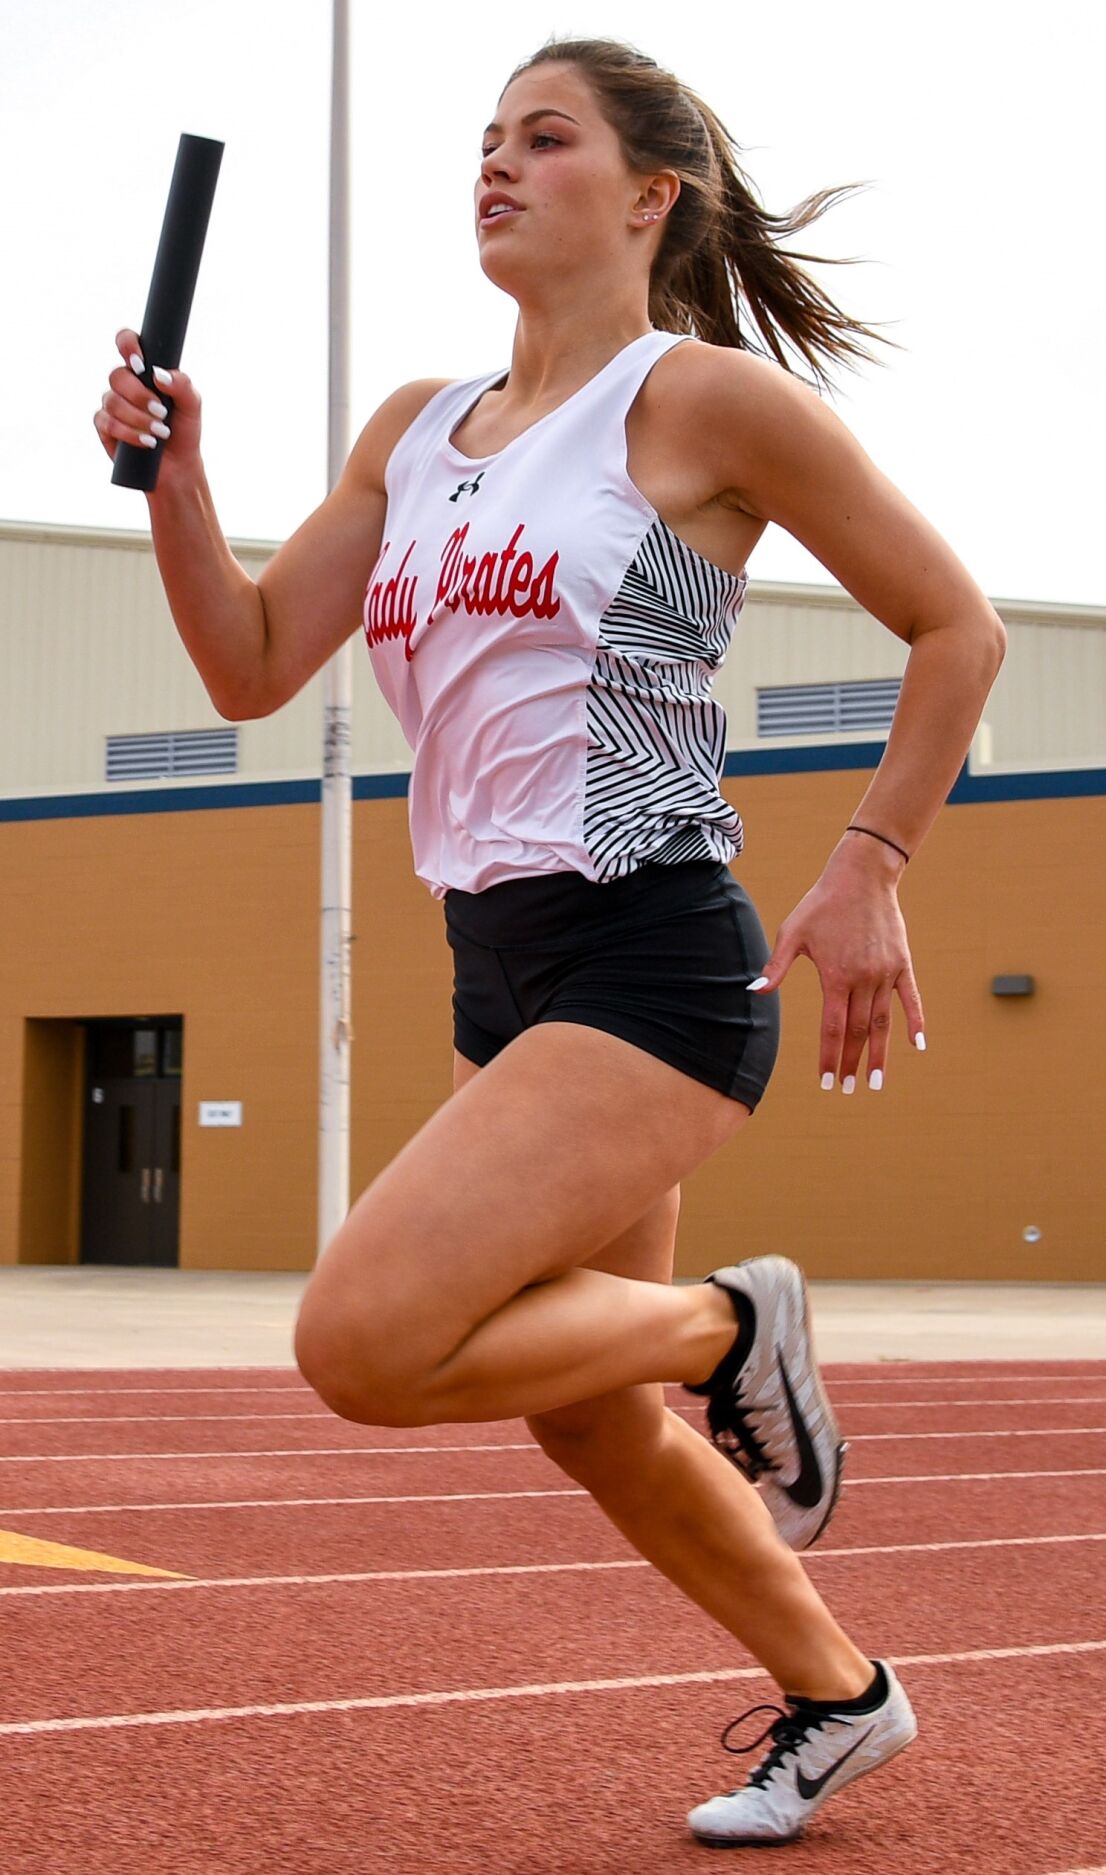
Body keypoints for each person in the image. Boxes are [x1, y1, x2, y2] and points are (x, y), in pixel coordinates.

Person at [94, 35, 1006, 1850]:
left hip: (650, 947)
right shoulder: (418, 429)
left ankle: (726, 1325)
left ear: (647, 194)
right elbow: (253, 664)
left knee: (361, 1343)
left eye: (544, 138)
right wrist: (180, 483)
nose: (495, 166)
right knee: (584, 1423)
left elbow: (955, 626)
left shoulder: (700, 404)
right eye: (484, 142)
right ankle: (842, 1697)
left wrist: (872, 862)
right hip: (494, 955)